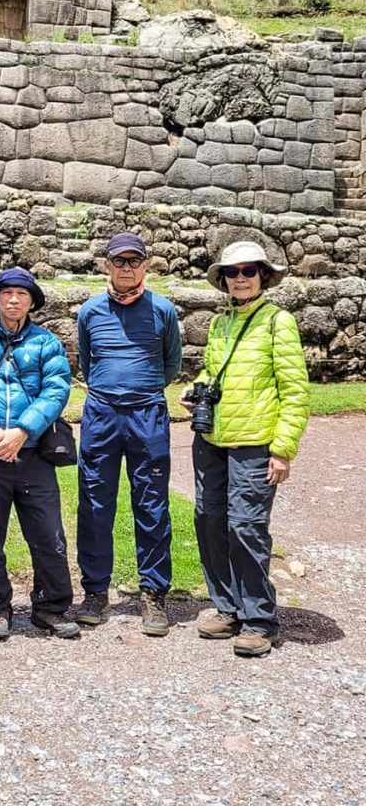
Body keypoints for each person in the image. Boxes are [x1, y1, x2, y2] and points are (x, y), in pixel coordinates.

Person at [183, 241, 309, 658]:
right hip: (213, 439)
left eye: (248, 271)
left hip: (255, 444)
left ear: (262, 276)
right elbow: (213, 370)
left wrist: (283, 448)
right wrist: (196, 388)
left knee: (245, 527)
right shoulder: (220, 324)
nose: (240, 278)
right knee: (209, 521)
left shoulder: (278, 322)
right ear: (223, 279)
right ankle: (227, 608)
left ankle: (259, 619)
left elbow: (294, 390)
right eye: (232, 273)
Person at [0, 267, 79, 641]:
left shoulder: (46, 343)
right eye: (6, 293)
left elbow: (56, 389)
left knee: (48, 534)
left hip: (34, 451)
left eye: (22, 294)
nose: (13, 300)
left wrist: (23, 430)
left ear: (31, 301)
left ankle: (50, 607)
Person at [74, 233, 182, 636]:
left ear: (146, 266)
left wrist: (143, 389)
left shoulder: (163, 310)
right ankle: (95, 591)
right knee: (95, 502)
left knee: (152, 503)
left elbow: (171, 363)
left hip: (147, 413)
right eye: (119, 261)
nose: (126, 268)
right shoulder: (90, 311)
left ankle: (153, 593)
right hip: (101, 413)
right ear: (107, 265)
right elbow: (87, 360)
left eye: (134, 261)